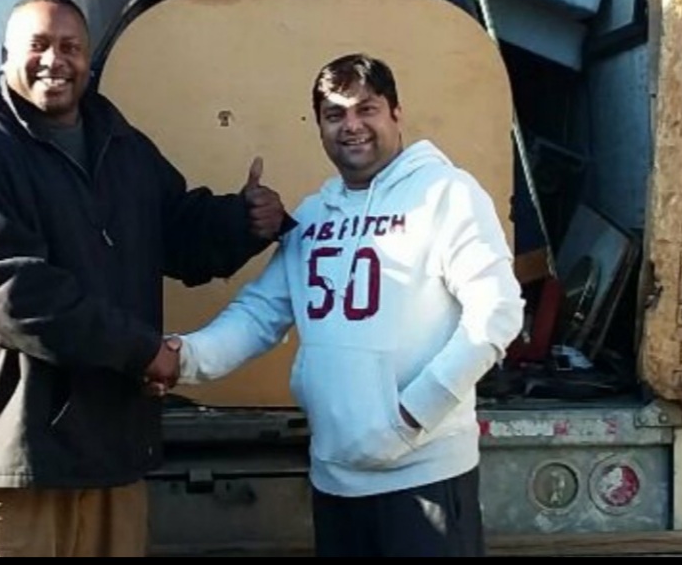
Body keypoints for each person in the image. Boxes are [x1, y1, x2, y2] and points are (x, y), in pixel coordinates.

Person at [0, 0, 289, 557]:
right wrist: (143, 351)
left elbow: (175, 229)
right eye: (37, 45)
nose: (54, 60)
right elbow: (7, 293)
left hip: (110, 452)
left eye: (70, 47)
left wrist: (244, 221)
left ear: (88, 60)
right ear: (4, 56)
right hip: (14, 459)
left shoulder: (120, 144)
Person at [159, 53, 525, 557]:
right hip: (335, 479)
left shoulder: (446, 193)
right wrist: (183, 357)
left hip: (425, 475)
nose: (351, 126)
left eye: (365, 109)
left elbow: (497, 311)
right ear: (320, 127)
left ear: (396, 113)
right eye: (335, 115)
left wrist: (413, 414)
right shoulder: (313, 215)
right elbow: (260, 315)